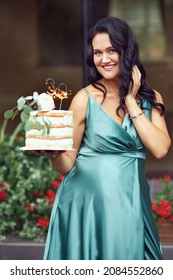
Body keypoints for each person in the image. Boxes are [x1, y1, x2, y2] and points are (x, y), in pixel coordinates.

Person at [41, 17, 171, 260]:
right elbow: (67, 164)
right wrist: (54, 154)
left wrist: (131, 99)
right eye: (97, 52)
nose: (104, 59)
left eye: (112, 50)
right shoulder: (83, 98)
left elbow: (160, 148)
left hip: (131, 203)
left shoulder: (151, 98)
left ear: (127, 51)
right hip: (86, 207)